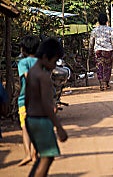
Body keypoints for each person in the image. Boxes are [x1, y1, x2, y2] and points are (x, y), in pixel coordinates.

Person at [25, 38, 68, 177]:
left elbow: (26, 98)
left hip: (31, 118)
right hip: (41, 120)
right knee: (47, 158)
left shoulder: (31, 72)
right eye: (54, 61)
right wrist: (59, 127)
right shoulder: (43, 77)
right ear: (45, 57)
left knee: (41, 157)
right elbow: (46, 104)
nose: (54, 65)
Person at [17, 35, 40, 166]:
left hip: (24, 100)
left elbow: (26, 76)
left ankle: (27, 154)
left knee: (25, 127)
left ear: (23, 50)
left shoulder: (23, 63)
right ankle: (34, 154)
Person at [89, 13, 113, 91]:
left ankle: (101, 83)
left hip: (98, 51)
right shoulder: (110, 29)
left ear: (98, 21)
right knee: (107, 67)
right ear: (107, 21)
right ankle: (106, 83)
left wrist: (90, 52)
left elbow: (91, 42)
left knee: (99, 67)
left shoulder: (94, 30)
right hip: (108, 51)